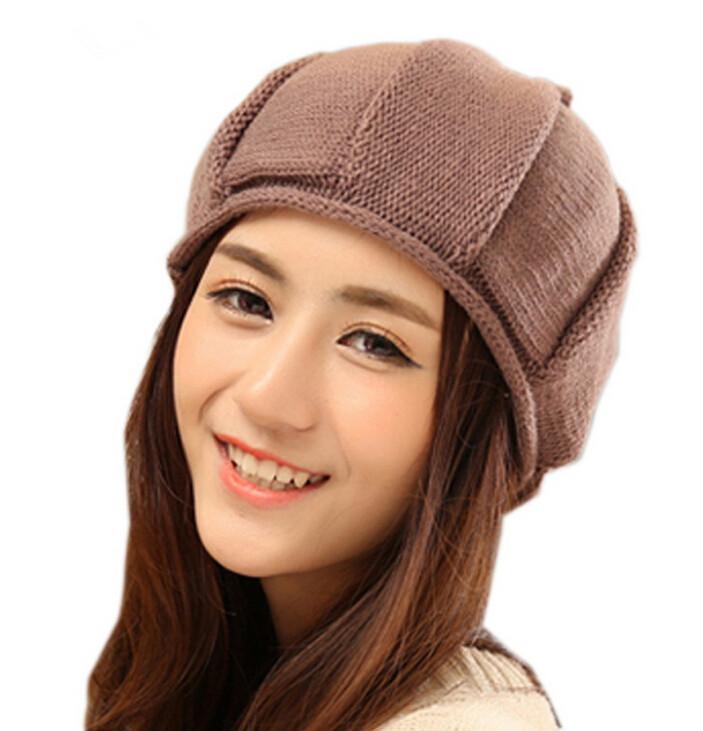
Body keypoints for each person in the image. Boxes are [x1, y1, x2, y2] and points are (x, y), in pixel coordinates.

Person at [85, 38, 637, 731]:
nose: (267, 396)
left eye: (374, 343)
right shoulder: (220, 681)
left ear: (485, 428)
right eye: (246, 300)